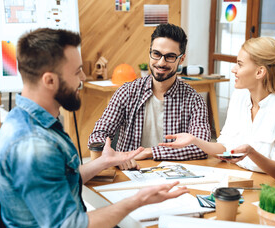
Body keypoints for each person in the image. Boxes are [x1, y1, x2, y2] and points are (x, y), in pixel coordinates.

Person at [0, 28, 188, 228]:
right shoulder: (34, 145)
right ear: (49, 81)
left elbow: (61, 181)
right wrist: (137, 200)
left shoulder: (27, 119)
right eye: (77, 71)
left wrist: (102, 162)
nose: (84, 77)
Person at [159, 37, 275, 181]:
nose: (234, 69)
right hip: (235, 177)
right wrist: (195, 140)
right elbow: (224, 148)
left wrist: (251, 153)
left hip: (267, 185)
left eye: (240, 64)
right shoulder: (240, 96)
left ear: (260, 72)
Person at [88, 23, 211, 168]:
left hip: (173, 177)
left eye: (170, 57)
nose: (161, 62)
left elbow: (201, 147)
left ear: (181, 59)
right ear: (150, 52)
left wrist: (150, 152)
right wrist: (111, 154)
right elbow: (99, 133)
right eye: (156, 54)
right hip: (129, 173)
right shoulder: (127, 92)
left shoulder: (194, 100)